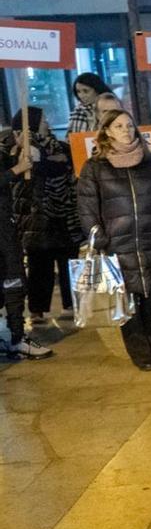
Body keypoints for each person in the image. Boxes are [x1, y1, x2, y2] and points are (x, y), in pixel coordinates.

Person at [77, 109, 151, 370]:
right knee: (127, 305)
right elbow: (87, 209)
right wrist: (101, 238)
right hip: (117, 248)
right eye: (119, 126)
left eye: (129, 125)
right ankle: (141, 354)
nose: (126, 130)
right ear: (107, 131)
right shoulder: (94, 167)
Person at [7, 108, 78, 325]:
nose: (47, 122)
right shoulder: (18, 149)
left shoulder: (60, 146)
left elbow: (64, 164)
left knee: (67, 259)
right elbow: (41, 168)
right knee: (39, 261)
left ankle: (70, 304)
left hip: (63, 211)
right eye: (43, 120)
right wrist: (51, 161)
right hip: (35, 213)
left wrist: (52, 161)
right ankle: (37, 309)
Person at [0, 132, 54, 360]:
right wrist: (16, 169)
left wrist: (17, 156)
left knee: (13, 281)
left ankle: (17, 337)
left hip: (5, 227)